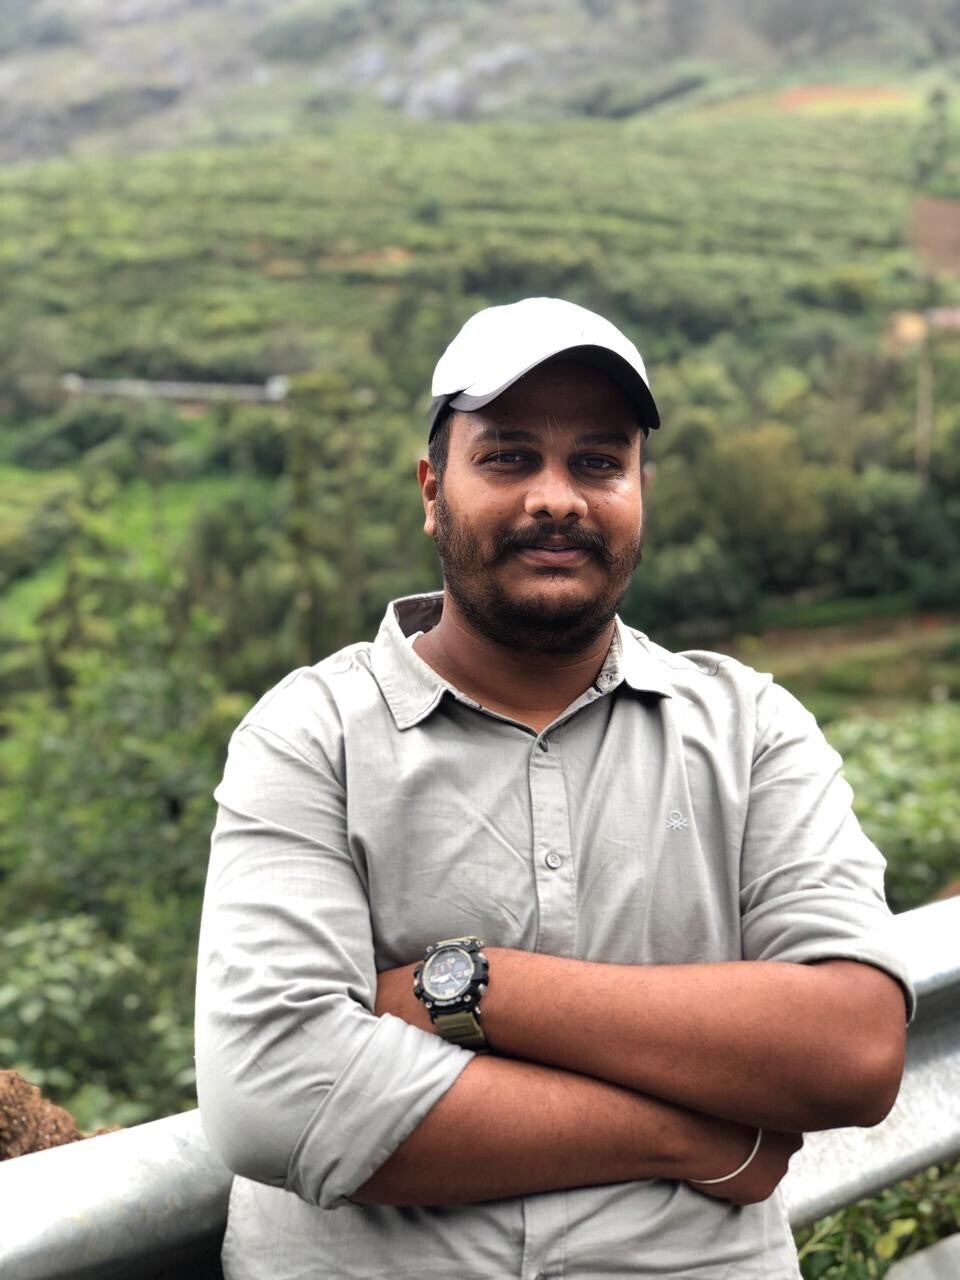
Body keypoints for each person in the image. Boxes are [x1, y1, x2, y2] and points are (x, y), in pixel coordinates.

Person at [195, 297, 912, 1280]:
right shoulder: (311, 735)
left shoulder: (751, 728)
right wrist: (693, 1135)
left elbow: (855, 1049)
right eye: (508, 457)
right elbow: (276, 1096)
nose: (556, 498)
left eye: (598, 462)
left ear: (639, 491)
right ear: (432, 490)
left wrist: (476, 985)